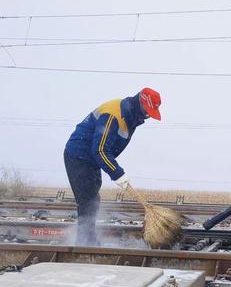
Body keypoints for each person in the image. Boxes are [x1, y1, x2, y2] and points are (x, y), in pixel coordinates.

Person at [64, 88, 162, 245]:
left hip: (92, 160)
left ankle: (88, 240)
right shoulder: (112, 115)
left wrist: (115, 171)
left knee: (92, 199)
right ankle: (84, 243)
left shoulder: (131, 117)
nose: (148, 116)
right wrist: (118, 173)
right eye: (147, 111)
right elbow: (100, 149)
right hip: (78, 156)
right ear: (140, 104)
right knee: (88, 201)